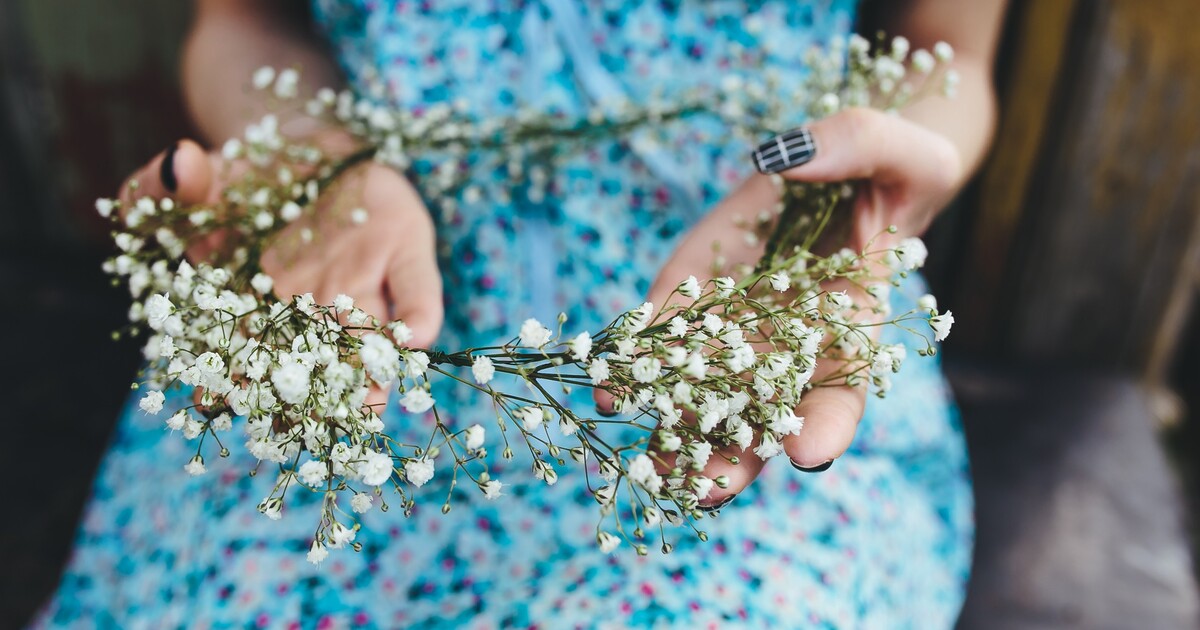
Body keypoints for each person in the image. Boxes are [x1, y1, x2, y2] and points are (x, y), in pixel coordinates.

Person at [36, 0, 1006, 627]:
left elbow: (949, 51)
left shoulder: (763, 313)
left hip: (738, 333)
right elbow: (244, 23)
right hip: (363, 318)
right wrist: (314, 157)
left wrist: (857, 183)